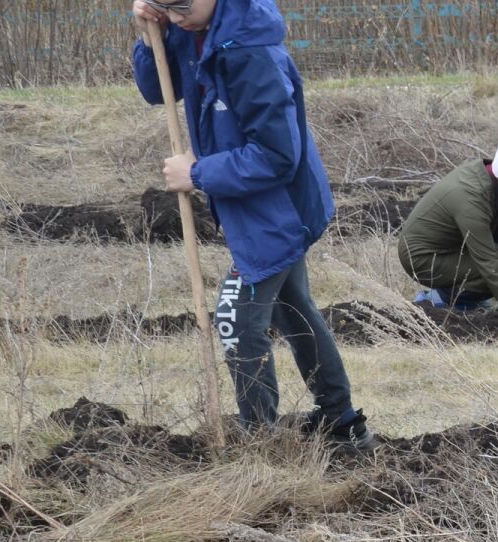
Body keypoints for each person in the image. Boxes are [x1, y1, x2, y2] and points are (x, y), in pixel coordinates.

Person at [131, 0, 371, 451]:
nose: (177, 13)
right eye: (167, 3)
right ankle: (342, 422)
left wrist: (197, 172)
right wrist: (150, 34)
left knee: (235, 316)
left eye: (182, 4)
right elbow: (156, 89)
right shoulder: (192, 26)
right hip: (254, 208)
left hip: (279, 210)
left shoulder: (250, 53)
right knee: (293, 306)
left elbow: (279, 155)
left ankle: (261, 444)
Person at [396, 131, 498, 313]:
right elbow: (488, 260)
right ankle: (439, 300)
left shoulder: (490, 176)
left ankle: (462, 295)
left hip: (452, 245)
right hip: (424, 259)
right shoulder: (470, 198)